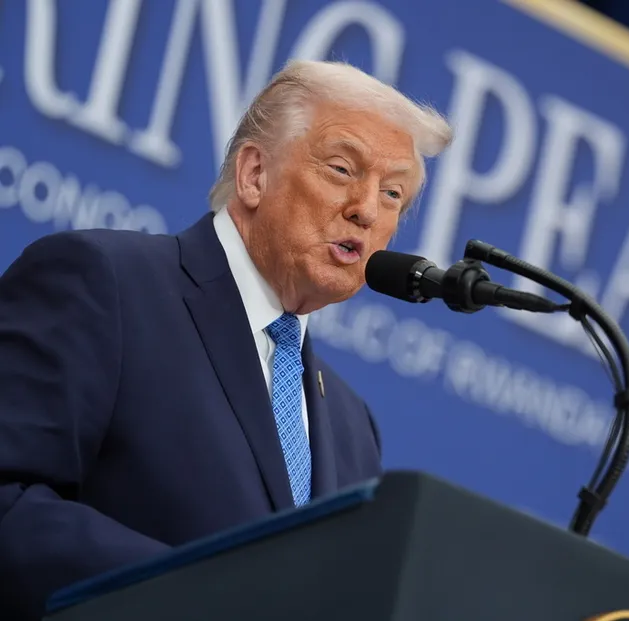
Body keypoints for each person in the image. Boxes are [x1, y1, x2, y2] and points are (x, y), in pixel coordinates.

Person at [0, 59, 453, 620]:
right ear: (254, 174)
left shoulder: (352, 427)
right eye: (341, 168)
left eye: (392, 194)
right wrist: (206, 597)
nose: (366, 209)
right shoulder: (106, 283)